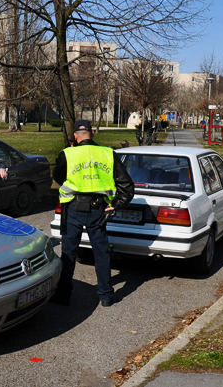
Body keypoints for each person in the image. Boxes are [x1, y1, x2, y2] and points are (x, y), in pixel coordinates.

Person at [51, 119, 134, 307]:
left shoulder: (67, 154)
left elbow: (57, 176)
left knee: (68, 253)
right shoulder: (108, 153)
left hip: (72, 209)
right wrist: (117, 205)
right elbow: (127, 186)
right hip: (99, 209)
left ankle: (64, 295)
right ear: (92, 134)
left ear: (75, 136)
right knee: (101, 253)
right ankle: (105, 295)